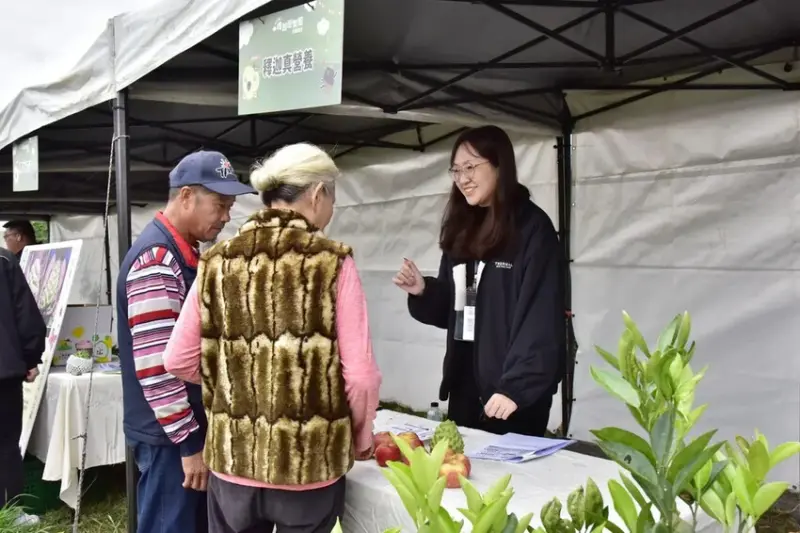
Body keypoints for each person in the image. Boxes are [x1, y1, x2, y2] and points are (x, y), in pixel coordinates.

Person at [163, 142, 381, 533]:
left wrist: (235, 385)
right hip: (308, 465)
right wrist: (361, 437)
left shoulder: (217, 261)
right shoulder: (332, 261)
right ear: (317, 194)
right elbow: (361, 377)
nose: (331, 210)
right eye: (332, 199)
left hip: (233, 461)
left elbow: (177, 359)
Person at [393, 125, 565, 437]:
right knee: (462, 465)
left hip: (512, 397)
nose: (462, 179)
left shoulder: (532, 230)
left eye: (470, 167)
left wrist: (514, 388)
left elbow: (540, 319)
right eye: (456, 170)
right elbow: (460, 307)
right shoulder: (463, 228)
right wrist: (424, 291)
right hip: (466, 387)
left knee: (506, 469)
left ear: (499, 165)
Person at [116, 151, 255, 533]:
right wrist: (189, 442)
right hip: (169, 438)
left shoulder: (183, 251)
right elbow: (157, 366)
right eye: (220, 205)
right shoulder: (157, 259)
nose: (226, 216)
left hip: (179, 430)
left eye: (230, 207)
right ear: (187, 196)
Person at [0, 248, 46, 525]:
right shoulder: (4, 260)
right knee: (5, 443)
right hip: (4, 371)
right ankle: (9, 513)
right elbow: (26, 316)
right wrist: (30, 358)